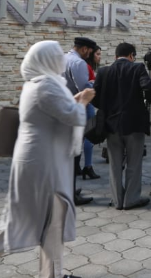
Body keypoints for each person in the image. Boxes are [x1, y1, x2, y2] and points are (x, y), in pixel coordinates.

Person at [0, 41, 94, 278]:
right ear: (46, 59)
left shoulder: (36, 83)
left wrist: (75, 99)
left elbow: (59, 110)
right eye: (57, 56)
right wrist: (84, 100)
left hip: (37, 160)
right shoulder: (47, 85)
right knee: (51, 218)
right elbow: (72, 116)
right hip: (44, 163)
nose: (62, 60)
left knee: (34, 215)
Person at [93, 42, 151, 210]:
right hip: (134, 123)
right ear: (132, 55)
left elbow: (95, 96)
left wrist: (106, 107)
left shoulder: (104, 71)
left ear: (115, 56)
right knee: (134, 163)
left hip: (111, 123)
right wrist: (145, 101)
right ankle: (131, 199)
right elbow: (148, 87)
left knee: (114, 164)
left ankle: (117, 200)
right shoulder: (137, 68)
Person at [63, 36, 96, 206]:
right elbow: (86, 89)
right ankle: (70, 195)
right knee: (74, 155)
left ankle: (67, 190)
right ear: (84, 49)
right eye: (89, 51)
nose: (89, 54)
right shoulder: (79, 63)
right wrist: (94, 83)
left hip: (63, 111)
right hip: (76, 110)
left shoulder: (62, 58)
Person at [80, 45, 101, 180]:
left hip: (83, 104)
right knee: (90, 134)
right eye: (98, 54)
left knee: (81, 135)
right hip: (86, 104)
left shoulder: (85, 67)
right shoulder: (87, 68)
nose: (100, 57)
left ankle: (78, 166)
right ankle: (88, 166)